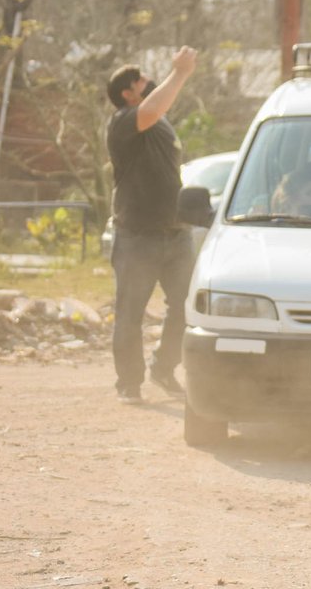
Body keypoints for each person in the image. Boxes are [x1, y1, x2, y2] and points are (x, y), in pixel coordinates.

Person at [105, 48, 197, 404]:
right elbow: (152, 109)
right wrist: (181, 73)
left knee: (187, 306)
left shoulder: (160, 123)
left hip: (175, 234)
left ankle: (163, 368)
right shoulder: (123, 121)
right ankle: (129, 383)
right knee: (130, 312)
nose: (148, 82)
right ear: (128, 93)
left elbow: (158, 109)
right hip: (137, 237)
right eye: (141, 80)